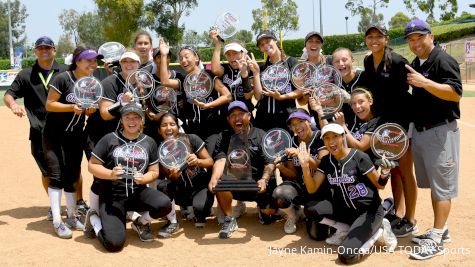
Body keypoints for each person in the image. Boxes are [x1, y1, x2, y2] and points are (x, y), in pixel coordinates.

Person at [404, 18, 462, 260]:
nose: (416, 43)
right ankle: (441, 229)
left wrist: (424, 82)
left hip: (441, 132)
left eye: (420, 37)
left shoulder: (443, 60)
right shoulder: (417, 62)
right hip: (422, 132)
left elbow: (455, 94)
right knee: (434, 185)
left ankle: (437, 238)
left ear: (431, 36)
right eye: (411, 39)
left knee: (443, 188)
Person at [300, 123, 397, 264]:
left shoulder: (359, 157)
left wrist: (385, 173)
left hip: (368, 212)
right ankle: (345, 230)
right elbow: (312, 188)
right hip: (345, 210)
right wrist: (304, 167)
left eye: (335, 137)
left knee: (346, 255)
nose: (331, 141)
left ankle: (378, 230)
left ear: (343, 137)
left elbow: (379, 185)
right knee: (311, 209)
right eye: (327, 138)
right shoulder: (327, 161)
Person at [85, 103, 172, 251]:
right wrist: (110, 174)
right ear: (121, 120)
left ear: (142, 120)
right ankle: (94, 219)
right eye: (127, 117)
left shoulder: (149, 141)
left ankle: (140, 223)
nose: (132, 122)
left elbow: (154, 171)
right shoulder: (109, 139)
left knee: (165, 205)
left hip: (137, 192)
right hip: (112, 196)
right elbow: (92, 165)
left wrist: (144, 179)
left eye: (136, 118)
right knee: (114, 245)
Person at [3, 36, 70, 221]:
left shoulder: (65, 71)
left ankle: (78, 202)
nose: (44, 50)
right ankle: (54, 205)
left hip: (67, 129)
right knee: (47, 171)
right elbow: (9, 95)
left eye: (47, 47)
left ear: (54, 50)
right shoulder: (26, 74)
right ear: (35, 51)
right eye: (40, 48)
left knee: (72, 170)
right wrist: (13, 105)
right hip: (39, 131)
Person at [362, 23, 418, 237]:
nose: (374, 40)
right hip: (384, 124)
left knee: (404, 170)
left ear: (386, 39)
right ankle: (398, 211)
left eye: (378, 36)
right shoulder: (368, 61)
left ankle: (410, 219)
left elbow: (412, 87)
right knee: (393, 168)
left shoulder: (396, 61)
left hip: (402, 123)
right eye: (370, 37)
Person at [43, 46, 102, 238]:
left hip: (75, 135)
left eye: (95, 61)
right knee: (56, 176)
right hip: (54, 135)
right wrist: (71, 107)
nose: (93, 64)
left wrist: (89, 110)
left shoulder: (91, 83)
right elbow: (50, 104)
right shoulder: (63, 78)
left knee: (72, 176)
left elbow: (89, 108)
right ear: (78, 61)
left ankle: (71, 215)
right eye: (88, 60)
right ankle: (57, 221)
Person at [208, 101, 277, 239]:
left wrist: (264, 179)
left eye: (241, 114)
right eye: (233, 115)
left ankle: (262, 208)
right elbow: (221, 160)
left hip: (258, 184)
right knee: (219, 182)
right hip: (235, 184)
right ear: (228, 119)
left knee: (269, 214)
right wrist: (214, 178)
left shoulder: (261, 135)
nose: (237, 118)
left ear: (249, 116)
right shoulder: (224, 136)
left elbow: (269, 163)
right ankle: (229, 219)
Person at [158, 38, 232, 140]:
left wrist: (207, 105)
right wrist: (163, 55)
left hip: (211, 128)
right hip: (191, 129)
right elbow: (165, 81)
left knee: (208, 156)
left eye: (186, 56)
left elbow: (227, 96)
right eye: (180, 58)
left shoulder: (209, 75)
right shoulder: (184, 80)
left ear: (196, 58)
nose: (183, 60)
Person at [155, 113, 215, 237]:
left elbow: (210, 162)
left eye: (172, 124)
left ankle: (201, 209)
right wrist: (174, 175)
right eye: (164, 125)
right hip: (181, 190)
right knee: (162, 185)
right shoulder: (160, 150)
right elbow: (169, 176)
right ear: (159, 130)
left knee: (200, 209)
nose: (168, 128)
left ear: (178, 127)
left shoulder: (191, 138)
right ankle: (173, 221)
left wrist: (198, 161)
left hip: (199, 187)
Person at [272, 109, 327, 234]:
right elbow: (294, 174)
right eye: (293, 124)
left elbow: (323, 166)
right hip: (300, 186)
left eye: (300, 121)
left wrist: (304, 156)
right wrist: (281, 167)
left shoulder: (320, 136)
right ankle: (293, 215)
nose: (297, 127)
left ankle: (308, 212)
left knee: (316, 234)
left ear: (309, 121)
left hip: (318, 188)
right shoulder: (291, 141)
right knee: (279, 195)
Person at [253, 30, 303, 131]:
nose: (265, 46)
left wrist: (282, 97)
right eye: (262, 45)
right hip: (263, 118)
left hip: (286, 116)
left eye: (268, 41)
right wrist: (256, 73)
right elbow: (258, 96)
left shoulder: (291, 62)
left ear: (275, 40)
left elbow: (301, 90)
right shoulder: (262, 67)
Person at [209, 32, 254, 113]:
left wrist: (244, 73)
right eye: (228, 54)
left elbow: (248, 96)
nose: (232, 57)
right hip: (226, 114)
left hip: (245, 113)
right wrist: (218, 45)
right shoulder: (225, 68)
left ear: (243, 53)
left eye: (235, 53)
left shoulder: (250, 69)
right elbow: (215, 70)